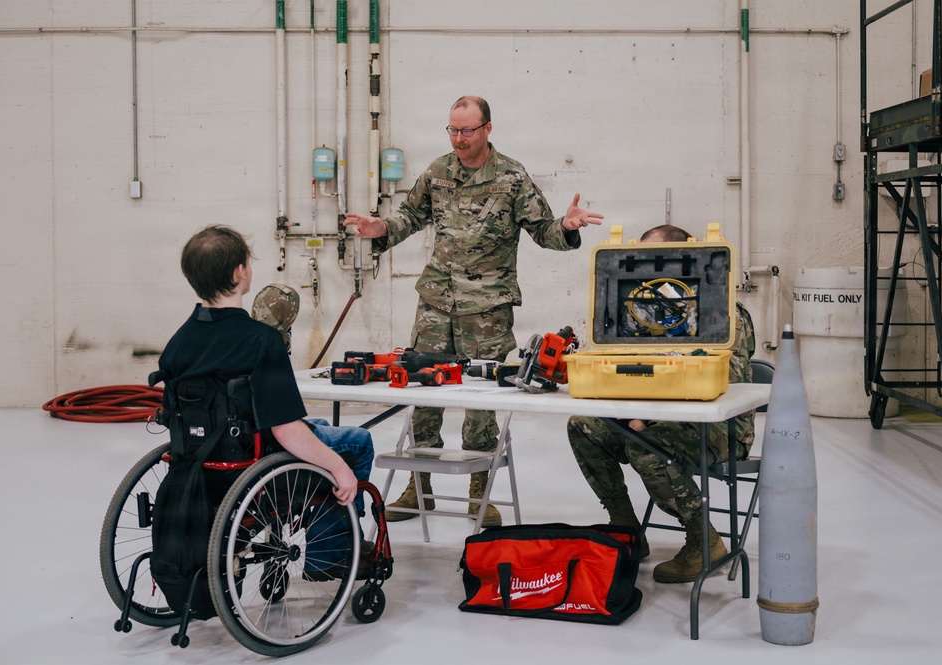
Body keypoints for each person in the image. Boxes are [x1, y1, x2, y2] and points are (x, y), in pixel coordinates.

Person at [344, 95, 604, 527]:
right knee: (421, 391)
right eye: (452, 130)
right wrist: (381, 229)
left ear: (487, 129)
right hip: (436, 302)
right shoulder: (438, 172)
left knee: (479, 401)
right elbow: (410, 215)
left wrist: (565, 226)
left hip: (487, 306)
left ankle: (479, 493)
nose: (459, 139)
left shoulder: (511, 176)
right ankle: (418, 488)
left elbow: (541, 230)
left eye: (467, 130)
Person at [157, 225, 375, 576]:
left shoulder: (177, 343)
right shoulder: (261, 341)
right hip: (258, 458)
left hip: (201, 461)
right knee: (357, 443)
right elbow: (287, 430)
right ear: (239, 272)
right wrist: (338, 468)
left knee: (317, 427)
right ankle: (330, 555)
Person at [566, 224, 756, 583]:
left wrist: (649, 419)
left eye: (659, 260)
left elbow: (723, 380)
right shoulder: (642, 309)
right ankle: (626, 528)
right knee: (582, 425)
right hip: (652, 418)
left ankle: (705, 542)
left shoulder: (723, 309)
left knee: (648, 451)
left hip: (719, 427)